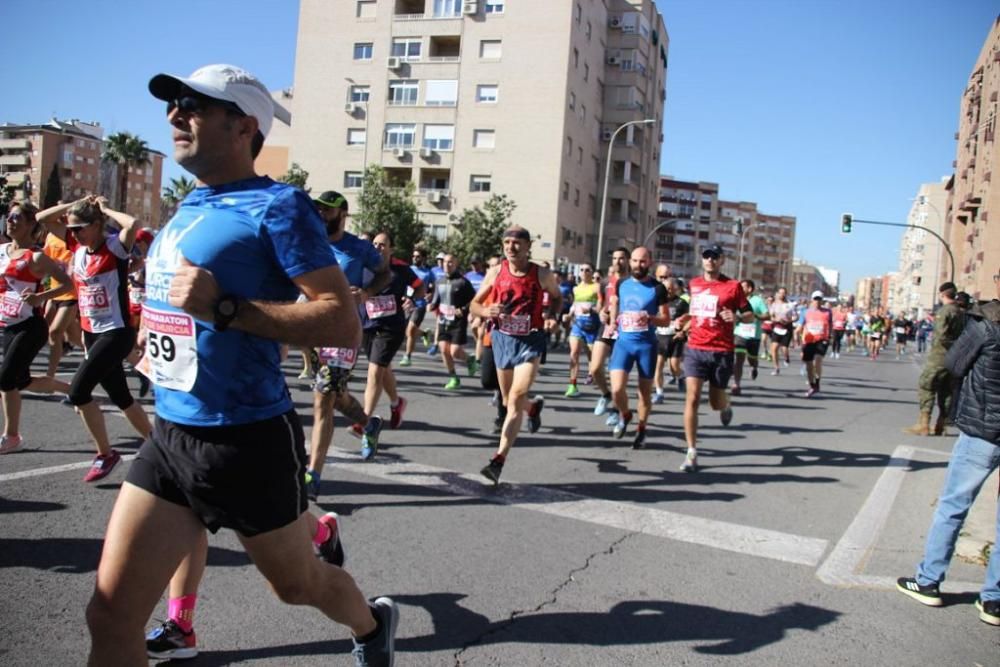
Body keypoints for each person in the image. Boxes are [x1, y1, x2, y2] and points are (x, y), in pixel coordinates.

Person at [84, 64, 397, 666]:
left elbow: (339, 320)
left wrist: (225, 308)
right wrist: (154, 340)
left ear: (244, 125)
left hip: (247, 440)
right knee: (110, 614)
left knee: (297, 586)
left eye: (195, 106)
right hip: (172, 435)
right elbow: (179, 310)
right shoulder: (190, 205)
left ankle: (370, 624)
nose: (175, 115)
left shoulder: (278, 206)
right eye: (173, 105)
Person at [896, 269, 1000, 628]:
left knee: (954, 506)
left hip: (982, 431)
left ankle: (928, 581)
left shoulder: (985, 326)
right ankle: (994, 601)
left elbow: (954, 363)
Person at [39, 197, 153, 481]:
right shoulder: (76, 249)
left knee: (78, 392)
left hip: (116, 331)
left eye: (80, 228)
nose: (75, 233)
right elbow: (42, 218)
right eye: (72, 228)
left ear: (97, 225)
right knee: (121, 396)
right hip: (92, 332)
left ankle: (106, 453)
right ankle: (161, 447)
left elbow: (134, 225)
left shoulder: (115, 247)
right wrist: (74, 204)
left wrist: (104, 209)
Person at [305, 190, 390, 496]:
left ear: (342, 214)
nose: (321, 215)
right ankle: (369, 424)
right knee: (337, 396)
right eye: (318, 210)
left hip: (343, 331)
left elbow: (385, 274)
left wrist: (366, 295)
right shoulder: (309, 242)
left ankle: (313, 474)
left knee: (323, 399)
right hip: (313, 331)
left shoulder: (359, 248)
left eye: (327, 211)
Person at [470, 226, 559, 485]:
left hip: (531, 339)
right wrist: (486, 312)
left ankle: (498, 459)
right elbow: (475, 304)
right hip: (502, 339)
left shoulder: (541, 273)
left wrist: (552, 316)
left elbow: (556, 298)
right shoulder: (496, 272)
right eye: (507, 242)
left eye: (517, 243)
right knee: (511, 402)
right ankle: (533, 408)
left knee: (517, 396)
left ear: (528, 245)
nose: (511, 247)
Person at [0, 202, 74, 454]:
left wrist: (41, 298)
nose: (11, 221)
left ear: (31, 224)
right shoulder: (1, 251)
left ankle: (11, 436)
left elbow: (67, 284)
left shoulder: (37, 256)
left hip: (29, 327)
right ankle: (72, 389)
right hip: (7, 326)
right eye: (9, 217)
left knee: (6, 378)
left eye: (17, 217)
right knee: (22, 382)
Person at [679, 244, 752, 472]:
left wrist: (737, 318)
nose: (710, 260)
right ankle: (691, 452)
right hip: (695, 348)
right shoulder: (694, 285)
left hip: (721, 350)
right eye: (706, 256)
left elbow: (749, 315)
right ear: (702, 260)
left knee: (714, 403)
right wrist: (683, 326)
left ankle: (726, 404)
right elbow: (694, 313)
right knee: (692, 398)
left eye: (714, 257)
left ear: (721, 261)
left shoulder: (732, 287)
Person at [607, 247, 671, 449]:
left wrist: (650, 318)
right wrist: (611, 321)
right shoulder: (622, 283)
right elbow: (616, 306)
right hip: (624, 343)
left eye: (642, 261)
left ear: (649, 263)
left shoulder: (658, 288)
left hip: (646, 346)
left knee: (644, 393)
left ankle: (641, 428)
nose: (637, 265)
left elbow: (666, 319)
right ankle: (625, 414)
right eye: (634, 261)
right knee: (617, 390)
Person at [903, 283, 966, 437]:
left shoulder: (944, 312)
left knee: (926, 386)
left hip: (940, 356)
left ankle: (923, 424)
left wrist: (947, 347)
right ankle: (940, 425)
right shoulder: (961, 312)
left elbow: (941, 336)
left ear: (942, 294)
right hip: (954, 358)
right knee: (946, 391)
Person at [41, 208, 84, 379]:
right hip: (54, 290)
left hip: (71, 292)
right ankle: (103, 357)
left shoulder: (74, 236)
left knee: (55, 332)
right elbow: (47, 260)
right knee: (74, 337)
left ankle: (50, 375)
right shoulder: (51, 236)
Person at [590, 247, 629, 419]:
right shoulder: (606, 282)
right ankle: (605, 394)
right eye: (614, 258)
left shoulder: (633, 282)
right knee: (595, 368)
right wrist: (601, 312)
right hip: (606, 327)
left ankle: (616, 409)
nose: (617, 262)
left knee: (617, 374)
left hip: (625, 329)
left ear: (628, 260)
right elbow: (601, 305)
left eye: (621, 258)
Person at [431, 253, 477, 389]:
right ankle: (453, 377)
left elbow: (474, 300)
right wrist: (432, 305)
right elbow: (436, 299)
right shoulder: (439, 281)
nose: (447, 265)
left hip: (458, 322)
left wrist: (463, 309)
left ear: (456, 264)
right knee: (443, 349)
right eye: (445, 262)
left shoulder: (463, 282)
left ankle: (470, 359)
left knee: (455, 352)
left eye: (451, 262)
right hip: (443, 320)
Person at [565, 263, 602, 397]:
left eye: (587, 270)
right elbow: (575, 304)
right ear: (578, 272)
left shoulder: (596, 286)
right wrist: (569, 314)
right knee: (574, 354)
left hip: (592, 325)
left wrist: (591, 310)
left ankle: (595, 376)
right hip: (578, 325)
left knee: (592, 357)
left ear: (591, 273)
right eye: (582, 270)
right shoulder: (576, 288)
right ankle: (572, 385)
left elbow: (600, 306)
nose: (584, 272)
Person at [653, 276, 690, 402]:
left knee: (674, 367)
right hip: (660, 337)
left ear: (675, 289)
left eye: (671, 289)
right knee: (658, 366)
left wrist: (684, 329)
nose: (668, 291)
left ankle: (680, 376)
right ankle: (659, 393)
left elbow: (691, 318)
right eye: (665, 289)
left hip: (675, 337)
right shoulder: (656, 301)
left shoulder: (682, 303)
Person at [730, 279, 769, 396]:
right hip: (740, 333)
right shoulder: (736, 300)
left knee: (752, 359)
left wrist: (755, 315)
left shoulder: (758, 301)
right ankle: (737, 384)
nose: (740, 290)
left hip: (754, 336)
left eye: (743, 287)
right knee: (739, 359)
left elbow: (767, 315)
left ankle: (754, 366)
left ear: (750, 289)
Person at [399, 245, 435, 366]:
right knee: (406, 330)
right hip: (406, 303)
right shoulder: (408, 269)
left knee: (410, 331)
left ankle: (407, 356)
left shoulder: (428, 273)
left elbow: (433, 287)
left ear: (423, 258)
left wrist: (431, 296)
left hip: (420, 304)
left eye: (418, 257)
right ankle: (425, 334)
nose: (415, 258)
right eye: (413, 256)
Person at [800, 291, 832, 398]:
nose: (817, 301)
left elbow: (830, 325)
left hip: (822, 339)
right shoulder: (805, 312)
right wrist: (798, 337)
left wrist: (829, 337)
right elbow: (801, 326)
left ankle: (817, 382)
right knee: (809, 364)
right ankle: (812, 386)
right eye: (815, 299)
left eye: (819, 299)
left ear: (822, 300)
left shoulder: (828, 312)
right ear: (812, 300)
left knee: (818, 359)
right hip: (809, 340)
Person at [768, 287, 796, 375]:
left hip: (787, 328)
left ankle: (786, 358)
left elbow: (796, 317)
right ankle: (776, 368)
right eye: (780, 293)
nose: (782, 294)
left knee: (784, 349)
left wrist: (788, 321)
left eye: (783, 293)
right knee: (774, 348)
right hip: (777, 328)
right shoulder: (774, 305)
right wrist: (775, 319)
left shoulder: (790, 305)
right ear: (778, 293)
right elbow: (771, 316)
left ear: (786, 294)